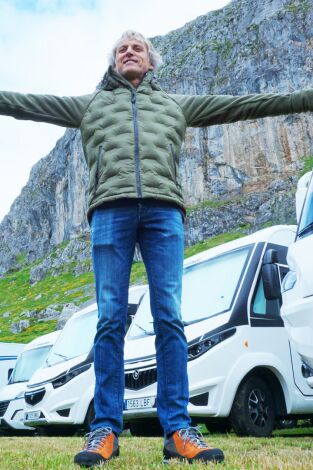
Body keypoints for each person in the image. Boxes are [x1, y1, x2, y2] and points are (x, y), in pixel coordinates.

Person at [1, 29, 313, 467]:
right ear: (113, 63)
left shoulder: (173, 105)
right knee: (110, 319)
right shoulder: (92, 106)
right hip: (109, 211)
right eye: (122, 49)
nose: (129, 52)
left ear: (150, 62)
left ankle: (178, 430)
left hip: (165, 213)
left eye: (138, 49)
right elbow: (26, 105)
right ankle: (105, 429)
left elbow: (244, 105)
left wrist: (305, 98)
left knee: (169, 316)